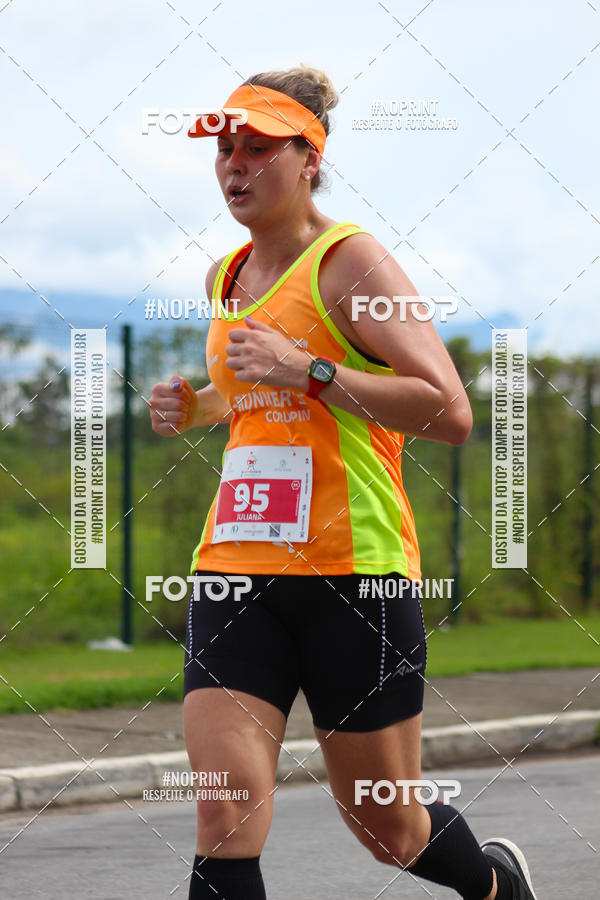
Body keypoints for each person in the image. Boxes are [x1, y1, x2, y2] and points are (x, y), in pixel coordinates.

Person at [149, 65, 538, 900]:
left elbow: (449, 410)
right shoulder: (225, 276)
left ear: (310, 160)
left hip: (354, 578)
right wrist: (197, 405)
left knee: (388, 828)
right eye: (225, 149)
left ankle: (496, 886)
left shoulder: (352, 262)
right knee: (223, 815)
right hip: (234, 572)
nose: (235, 165)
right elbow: (251, 392)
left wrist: (311, 369)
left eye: (260, 148)